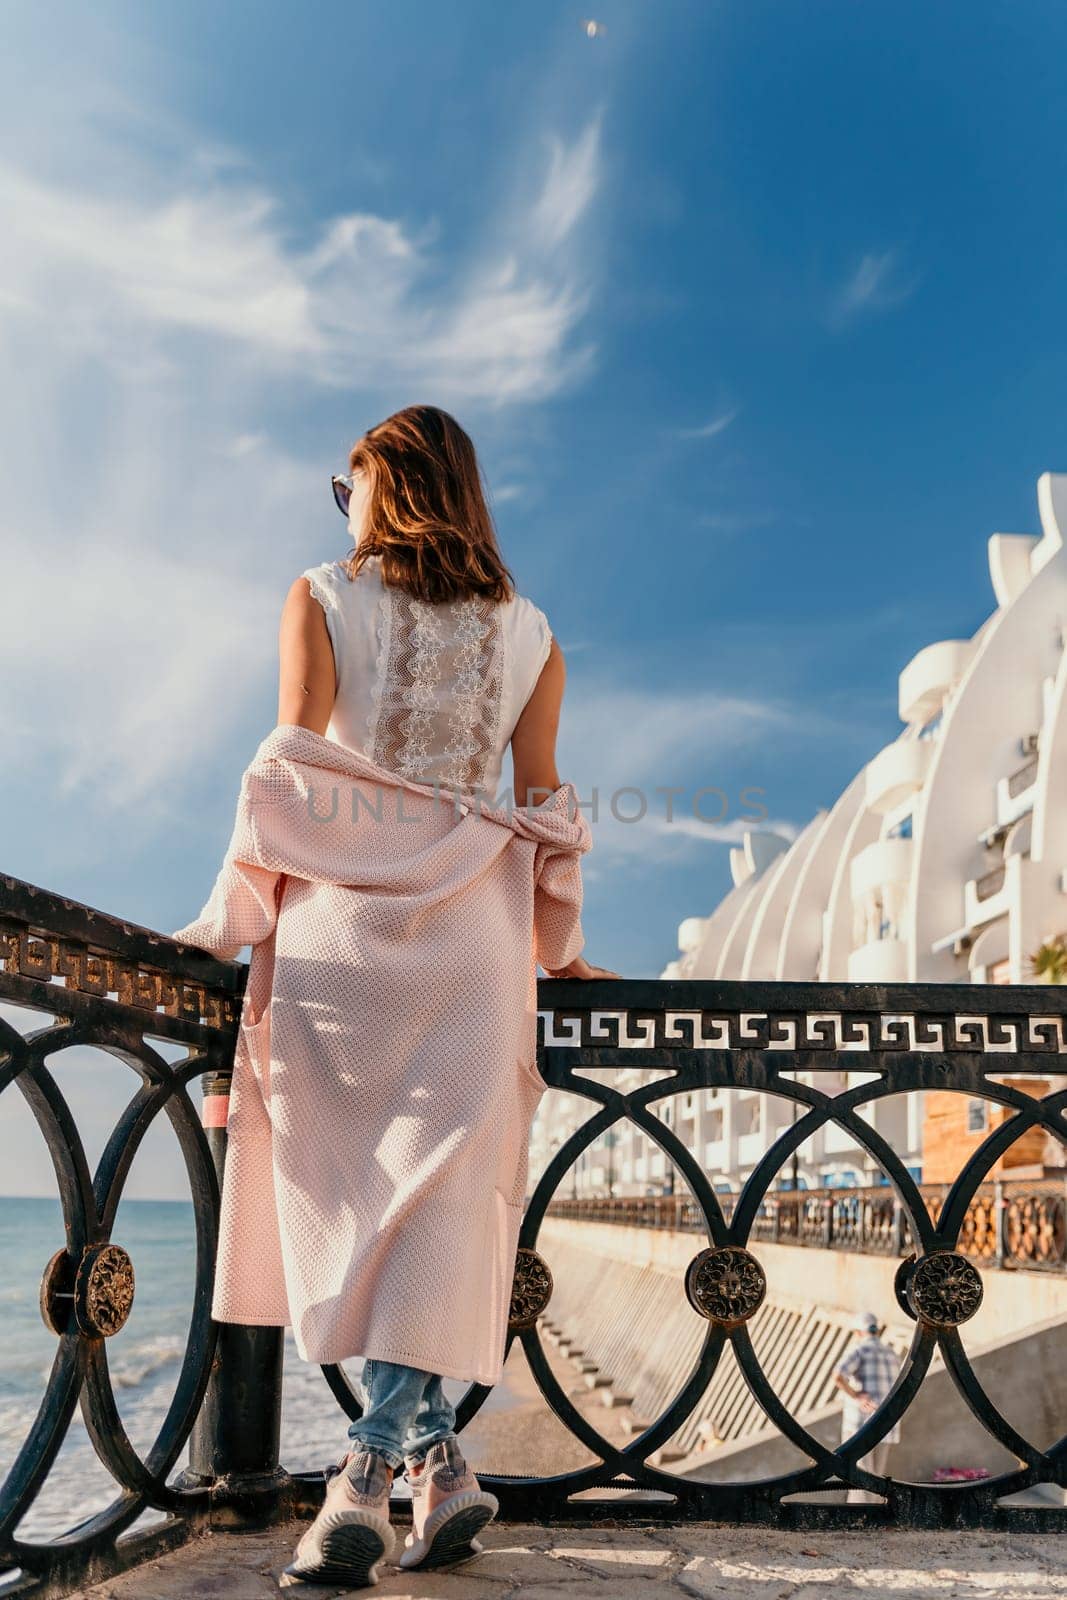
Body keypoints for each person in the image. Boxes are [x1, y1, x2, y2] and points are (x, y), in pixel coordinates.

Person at [185, 405, 620, 1589]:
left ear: (390, 484)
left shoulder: (318, 596)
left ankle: (362, 1474)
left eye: (352, 483)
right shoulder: (533, 633)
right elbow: (541, 808)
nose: (348, 505)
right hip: (474, 936)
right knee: (434, 1199)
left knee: (349, 1192)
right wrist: (560, 944)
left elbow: (288, 769)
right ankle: (437, 1464)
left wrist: (234, 912)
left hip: (343, 931)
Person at [832, 1310, 902, 1504]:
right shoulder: (892, 1354)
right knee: (877, 1479)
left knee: (858, 1476)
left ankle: (858, 1521)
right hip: (887, 1424)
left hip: (861, 1423)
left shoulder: (859, 1350)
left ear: (858, 1332)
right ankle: (876, 1521)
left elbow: (838, 1375)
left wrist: (856, 1395)